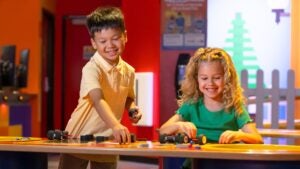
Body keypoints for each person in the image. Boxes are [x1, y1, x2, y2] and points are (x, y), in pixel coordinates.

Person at [58, 6, 142, 169]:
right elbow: (98, 99)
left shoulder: (129, 71)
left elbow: (128, 97)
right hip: (78, 136)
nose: (110, 45)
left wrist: (132, 109)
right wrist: (116, 125)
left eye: (115, 38)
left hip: (108, 138)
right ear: (94, 43)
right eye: (103, 41)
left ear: (125, 36)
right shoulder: (92, 68)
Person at [159, 47, 263, 169]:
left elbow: (258, 139)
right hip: (195, 165)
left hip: (225, 165)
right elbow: (162, 130)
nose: (210, 83)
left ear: (227, 78)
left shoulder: (234, 106)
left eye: (217, 78)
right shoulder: (192, 105)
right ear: (196, 79)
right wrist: (178, 126)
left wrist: (238, 135)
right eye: (204, 78)